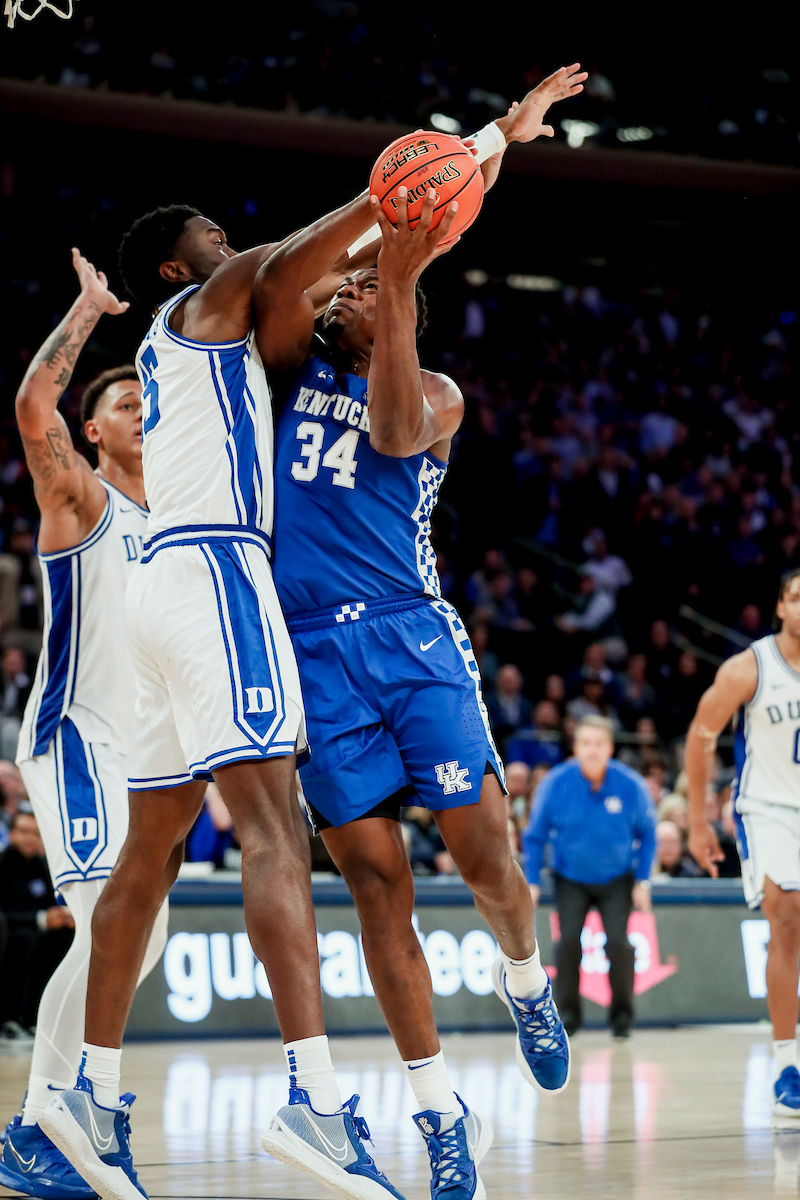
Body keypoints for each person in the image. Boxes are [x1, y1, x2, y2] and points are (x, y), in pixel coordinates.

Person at [260, 64, 585, 1200]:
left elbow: (394, 430)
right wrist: (495, 134)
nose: (338, 298)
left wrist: (395, 281)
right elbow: (404, 204)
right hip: (311, 652)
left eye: (357, 297)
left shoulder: (433, 394)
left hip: (409, 638)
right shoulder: (286, 372)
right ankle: (437, 1112)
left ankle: (523, 974)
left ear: (400, 311)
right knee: (374, 885)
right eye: (337, 296)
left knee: (486, 856)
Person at [40, 200, 407, 1200]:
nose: (222, 232)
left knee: (150, 853)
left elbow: (316, 279)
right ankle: (314, 1101)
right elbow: (294, 259)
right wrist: (387, 194)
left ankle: (87, 1097)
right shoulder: (205, 304)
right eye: (204, 228)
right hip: (215, 572)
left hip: (163, 585)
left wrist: (486, 150)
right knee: (274, 835)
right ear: (174, 266)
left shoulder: (212, 339)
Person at [0, 253, 171, 1200]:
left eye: (149, 395)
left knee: (142, 935)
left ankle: (52, 1119)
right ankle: (41, 1121)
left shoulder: (182, 520)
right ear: (94, 434)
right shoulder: (82, 497)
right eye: (122, 401)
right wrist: (89, 310)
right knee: (111, 920)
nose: (139, 405)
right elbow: (33, 409)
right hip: (77, 733)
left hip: (146, 752)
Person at [686, 567, 800, 1117]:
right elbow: (701, 736)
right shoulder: (749, 667)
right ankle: (786, 1062)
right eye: (796, 599)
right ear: (780, 607)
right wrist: (697, 821)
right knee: (785, 916)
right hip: (767, 807)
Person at [522, 715, 656, 1039]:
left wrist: (642, 880)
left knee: (619, 945)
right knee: (567, 944)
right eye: (585, 744)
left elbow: (649, 834)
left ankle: (622, 1020)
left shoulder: (630, 785)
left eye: (598, 744)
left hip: (617, 878)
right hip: (570, 877)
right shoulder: (556, 783)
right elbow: (534, 836)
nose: (592, 751)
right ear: (576, 747)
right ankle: (568, 1019)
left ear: (609, 748)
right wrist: (532, 881)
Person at [0, 809, 74, 1039]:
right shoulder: (2, 865)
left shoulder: (44, 867)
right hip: (10, 934)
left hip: (38, 934)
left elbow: (54, 903)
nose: (29, 838)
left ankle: (40, 1018)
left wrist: (64, 915)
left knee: (65, 936)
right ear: (11, 834)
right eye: (23, 831)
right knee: (24, 941)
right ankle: (11, 1020)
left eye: (36, 833)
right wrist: (40, 919)